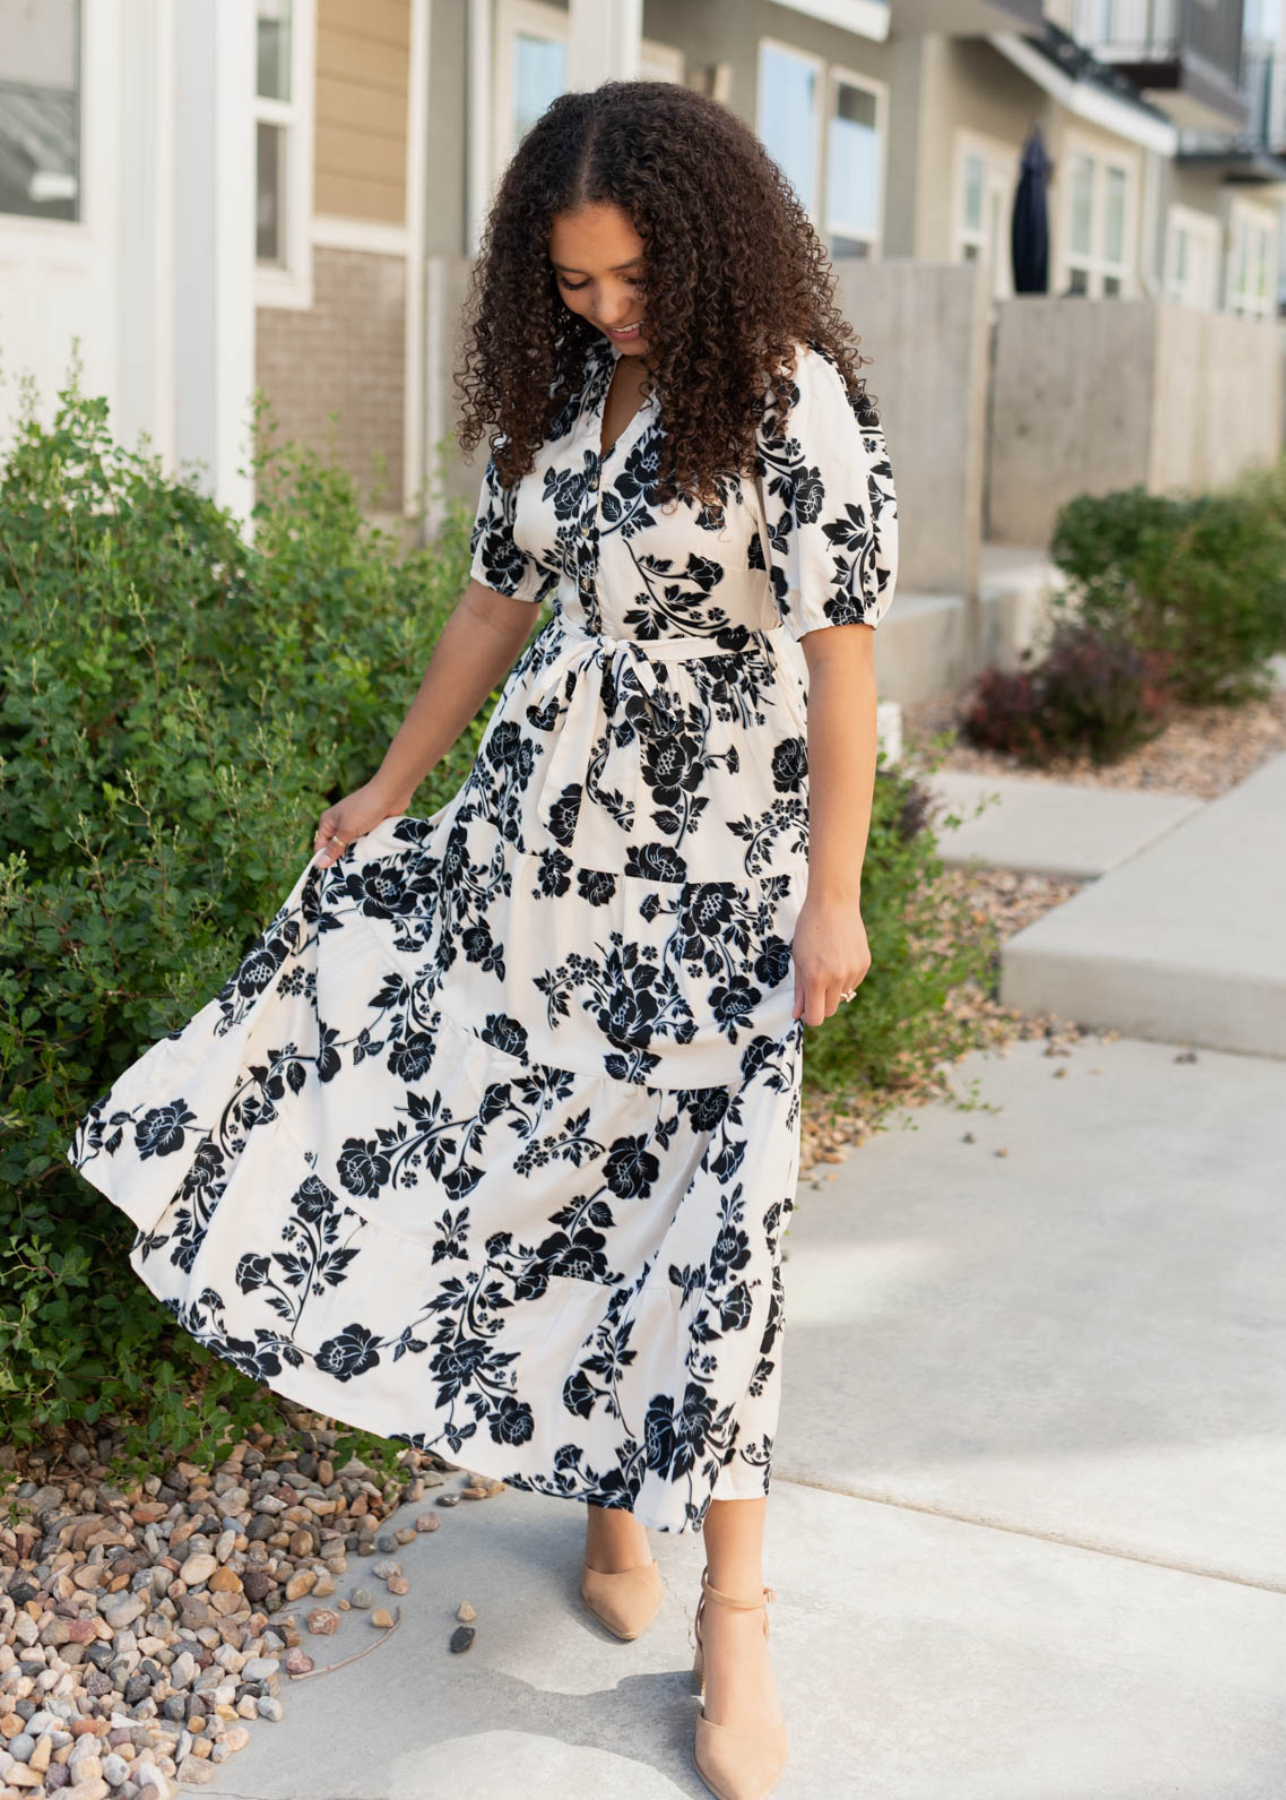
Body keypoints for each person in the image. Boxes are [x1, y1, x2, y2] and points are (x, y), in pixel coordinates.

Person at [66, 78, 897, 1800]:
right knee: (554, 1165)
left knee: (721, 1213)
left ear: (711, 239)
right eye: (575, 282)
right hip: (539, 859)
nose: (605, 310)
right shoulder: (565, 400)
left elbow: (839, 669)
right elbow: (491, 604)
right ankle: (608, 1498)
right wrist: (388, 783)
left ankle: (732, 1618)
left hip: (715, 883)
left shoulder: (787, 401)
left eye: (631, 279)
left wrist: (837, 890)